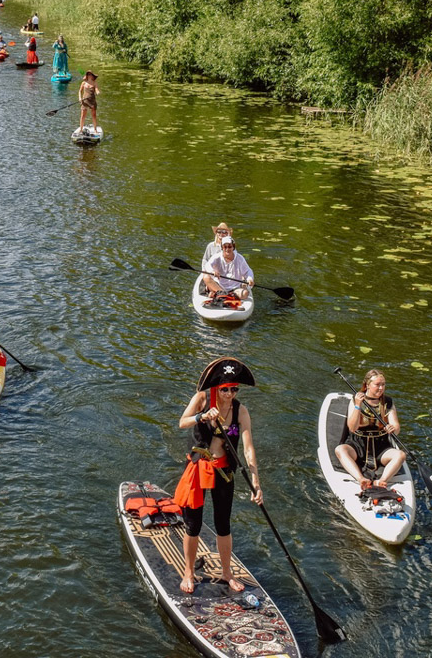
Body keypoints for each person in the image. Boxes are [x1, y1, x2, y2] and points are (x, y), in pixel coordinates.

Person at [173, 357, 262, 595]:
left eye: (234, 389)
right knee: (194, 524)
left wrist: (256, 481)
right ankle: (189, 572)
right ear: (216, 387)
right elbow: (182, 422)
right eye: (225, 389)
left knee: (224, 524)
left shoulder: (240, 410)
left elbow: (248, 447)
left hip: (224, 471)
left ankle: (227, 573)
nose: (230, 394)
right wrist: (201, 417)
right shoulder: (202, 399)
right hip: (199, 468)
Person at [334, 369, 407, 491]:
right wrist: (357, 405)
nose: (381, 388)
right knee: (340, 450)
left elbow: (397, 428)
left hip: (381, 446)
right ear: (367, 385)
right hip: (358, 445)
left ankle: (382, 481)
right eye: (377, 385)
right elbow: (352, 428)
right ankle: (361, 479)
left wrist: (392, 428)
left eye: (383, 384)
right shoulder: (356, 400)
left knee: (400, 455)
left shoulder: (387, 403)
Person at [202, 235, 254, 300]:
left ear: (233, 247)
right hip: (219, 286)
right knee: (206, 277)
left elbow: (248, 271)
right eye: (225, 247)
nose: (227, 249)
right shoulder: (217, 257)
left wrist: (250, 279)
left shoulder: (240, 258)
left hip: (234, 288)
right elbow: (207, 265)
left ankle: (219, 294)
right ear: (222, 248)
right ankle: (223, 294)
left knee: (245, 293)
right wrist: (212, 271)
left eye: (229, 246)